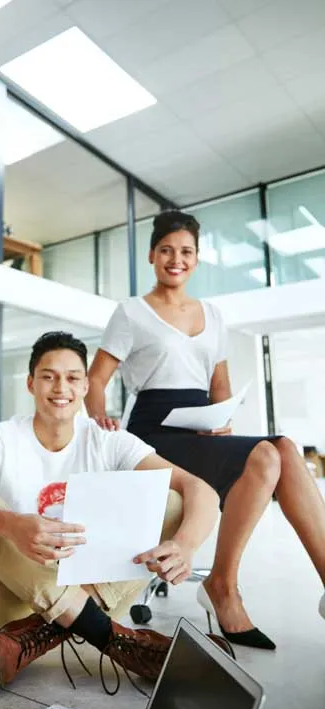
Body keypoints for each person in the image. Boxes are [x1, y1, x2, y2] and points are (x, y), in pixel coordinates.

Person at [85, 210, 325, 650]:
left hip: (201, 429)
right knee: (271, 453)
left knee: (282, 450)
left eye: (186, 252)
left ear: (197, 259)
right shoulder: (131, 313)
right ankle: (223, 587)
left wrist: (222, 420)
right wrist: (100, 417)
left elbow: (219, 385)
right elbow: (96, 379)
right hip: (154, 432)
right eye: (167, 251)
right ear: (153, 256)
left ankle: (238, 582)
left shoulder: (213, 315)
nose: (177, 259)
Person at [0, 331, 226, 692]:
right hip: (20, 599)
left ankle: (36, 636)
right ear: (30, 383)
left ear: (86, 386)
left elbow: (200, 491)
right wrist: (10, 525)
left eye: (72, 377)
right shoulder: (2, 438)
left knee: (174, 500)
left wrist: (186, 544)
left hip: (98, 591)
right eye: (48, 376)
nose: (60, 387)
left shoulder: (107, 440)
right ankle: (119, 642)